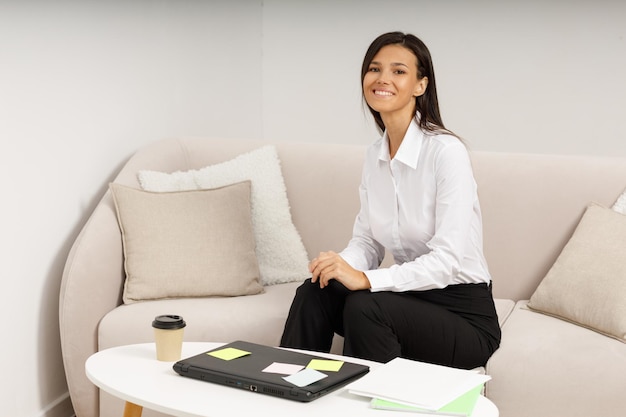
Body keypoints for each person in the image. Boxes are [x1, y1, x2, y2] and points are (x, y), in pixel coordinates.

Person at [280, 32, 501, 369]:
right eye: (374, 69)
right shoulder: (375, 156)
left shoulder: (446, 153)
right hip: (405, 301)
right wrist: (339, 265)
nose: (382, 79)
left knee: (364, 307)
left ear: (420, 85)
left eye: (398, 71)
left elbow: (446, 263)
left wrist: (367, 280)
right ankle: (287, 391)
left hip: (462, 316)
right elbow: (368, 243)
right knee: (315, 291)